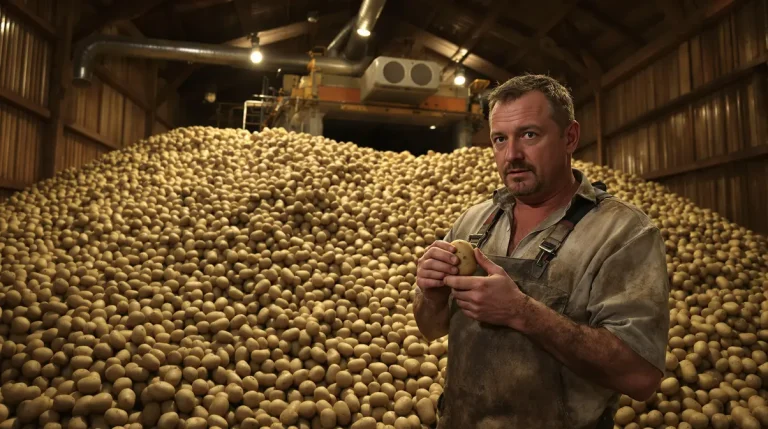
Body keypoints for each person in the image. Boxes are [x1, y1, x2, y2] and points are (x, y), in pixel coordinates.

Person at [414, 74, 669, 429]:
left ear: (570, 137)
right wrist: (432, 295)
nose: (512, 154)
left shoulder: (622, 233)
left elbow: (641, 377)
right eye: (500, 139)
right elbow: (430, 329)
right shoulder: (474, 221)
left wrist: (523, 312)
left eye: (529, 135)